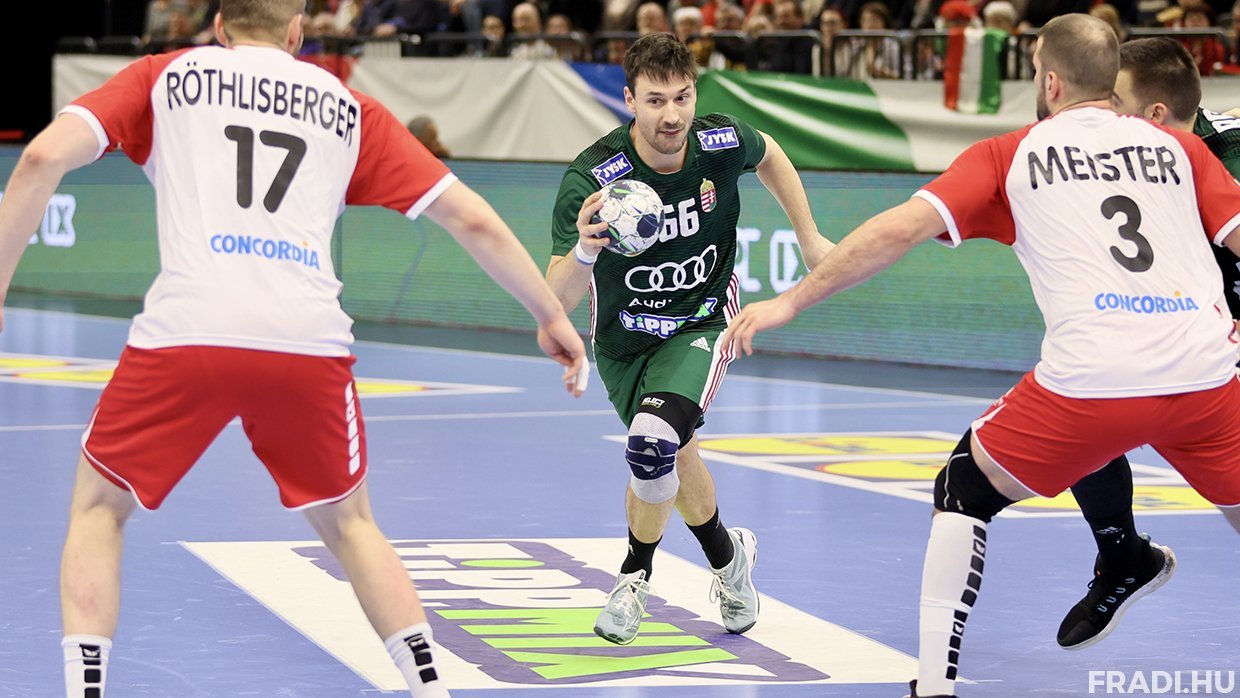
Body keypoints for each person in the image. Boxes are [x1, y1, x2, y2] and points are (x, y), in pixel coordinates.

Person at [0, 1, 587, 696]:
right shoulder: (348, 109)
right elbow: (473, 219)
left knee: (99, 508)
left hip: (190, 331)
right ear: (297, 32)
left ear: (219, 28)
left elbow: (40, 156)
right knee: (351, 524)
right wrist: (550, 313)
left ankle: (84, 689)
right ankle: (431, 687)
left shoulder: (165, 76)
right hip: (307, 341)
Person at [725, 13, 1240, 697]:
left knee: (963, 490)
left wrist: (792, 300)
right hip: (1208, 372)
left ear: (1049, 81)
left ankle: (935, 684)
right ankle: (1122, 556)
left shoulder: (1010, 155)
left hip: (1093, 381)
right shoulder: (1181, 148)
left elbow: (896, 230)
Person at [545, 32, 834, 646]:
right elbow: (556, 298)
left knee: (652, 445)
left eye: (682, 97)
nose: (672, 114)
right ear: (629, 101)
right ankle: (730, 560)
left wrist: (808, 236)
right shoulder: (592, 178)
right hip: (622, 340)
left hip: (702, 319)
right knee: (674, 456)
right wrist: (585, 249)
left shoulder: (719, 142)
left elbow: (770, 153)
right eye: (655, 101)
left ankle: (633, 579)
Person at [1054, 35, 1240, 652]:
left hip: (1224, 328)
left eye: (1112, 100)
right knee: (1077, 392)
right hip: (1175, 324)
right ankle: (1123, 558)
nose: (1096, 113)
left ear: (1155, 113)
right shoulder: (1106, 157)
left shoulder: (1228, 154)